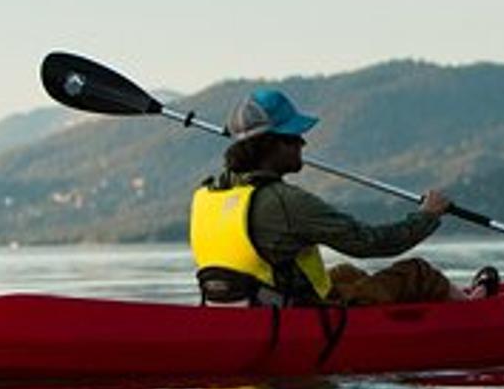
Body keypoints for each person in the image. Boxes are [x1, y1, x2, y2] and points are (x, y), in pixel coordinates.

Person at [189, 87, 469, 306]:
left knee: (346, 273)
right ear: (270, 144)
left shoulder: (206, 195)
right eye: (293, 136)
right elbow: (368, 243)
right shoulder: (285, 202)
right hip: (298, 312)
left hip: (242, 305)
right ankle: (474, 308)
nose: (303, 142)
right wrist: (427, 216)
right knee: (417, 272)